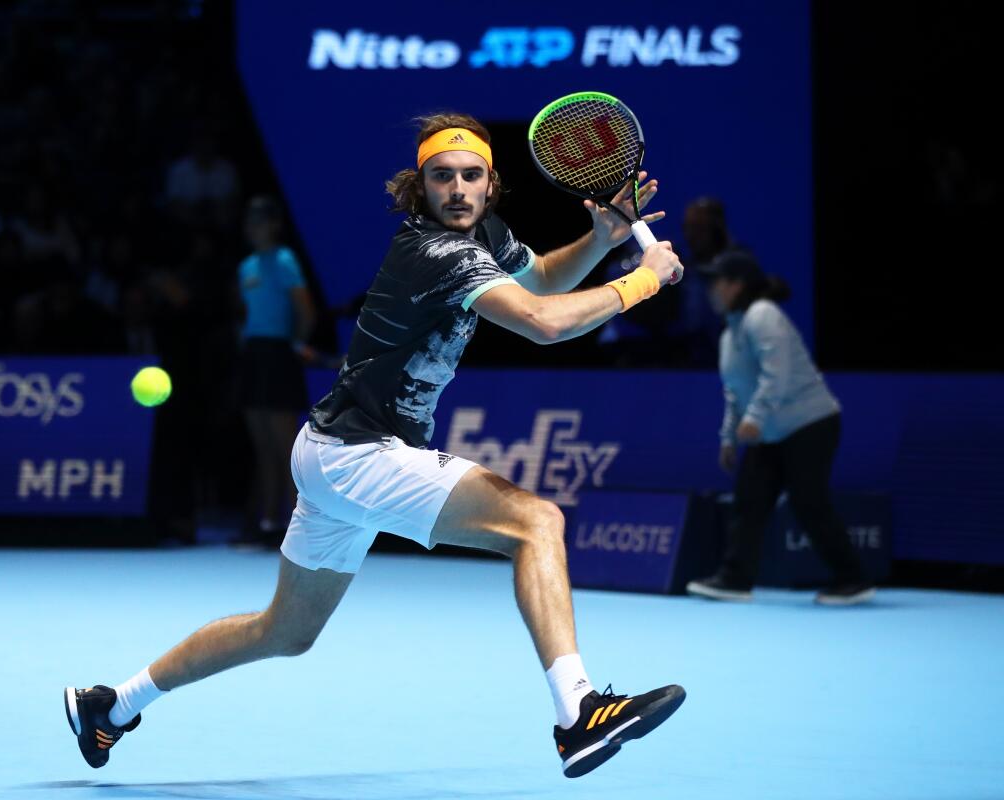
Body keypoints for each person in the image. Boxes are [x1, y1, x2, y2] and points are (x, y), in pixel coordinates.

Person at [64, 113, 686, 779]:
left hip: (330, 452)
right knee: (536, 522)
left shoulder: (483, 234)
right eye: (440, 177)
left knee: (285, 633)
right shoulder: (437, 252)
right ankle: (578, 714)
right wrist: (641, 278)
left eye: (469, 176)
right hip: (357, 452)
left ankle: (112, 704)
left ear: (489, 185)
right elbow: (541, 322)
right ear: (419, 187)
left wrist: (600, 241)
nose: (456, 188)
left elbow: (538, 280)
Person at [686, 251, 875, 606]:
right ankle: (735, 579)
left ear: (737, 284)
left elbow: (777, 374)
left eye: (718, 281)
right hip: (770, 430)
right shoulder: (730, 332)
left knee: (808, 501)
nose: (711, 289)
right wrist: (728, 437)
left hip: (810, 423)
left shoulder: (763, 316)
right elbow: (735, 391)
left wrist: (754, 419)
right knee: (748, 501)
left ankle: (854, 579)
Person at [236, 195, 316, 542]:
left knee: (286, 449)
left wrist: (297, 343)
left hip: (279, 353)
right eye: (250, 221)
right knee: (262, 447)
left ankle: (299, 532)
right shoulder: (246, 266)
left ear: (273, 224)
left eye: (260, 221)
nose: (253, 227)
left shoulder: (285, 260)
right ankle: (268, 523)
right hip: (254, 354)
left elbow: (306, 309)